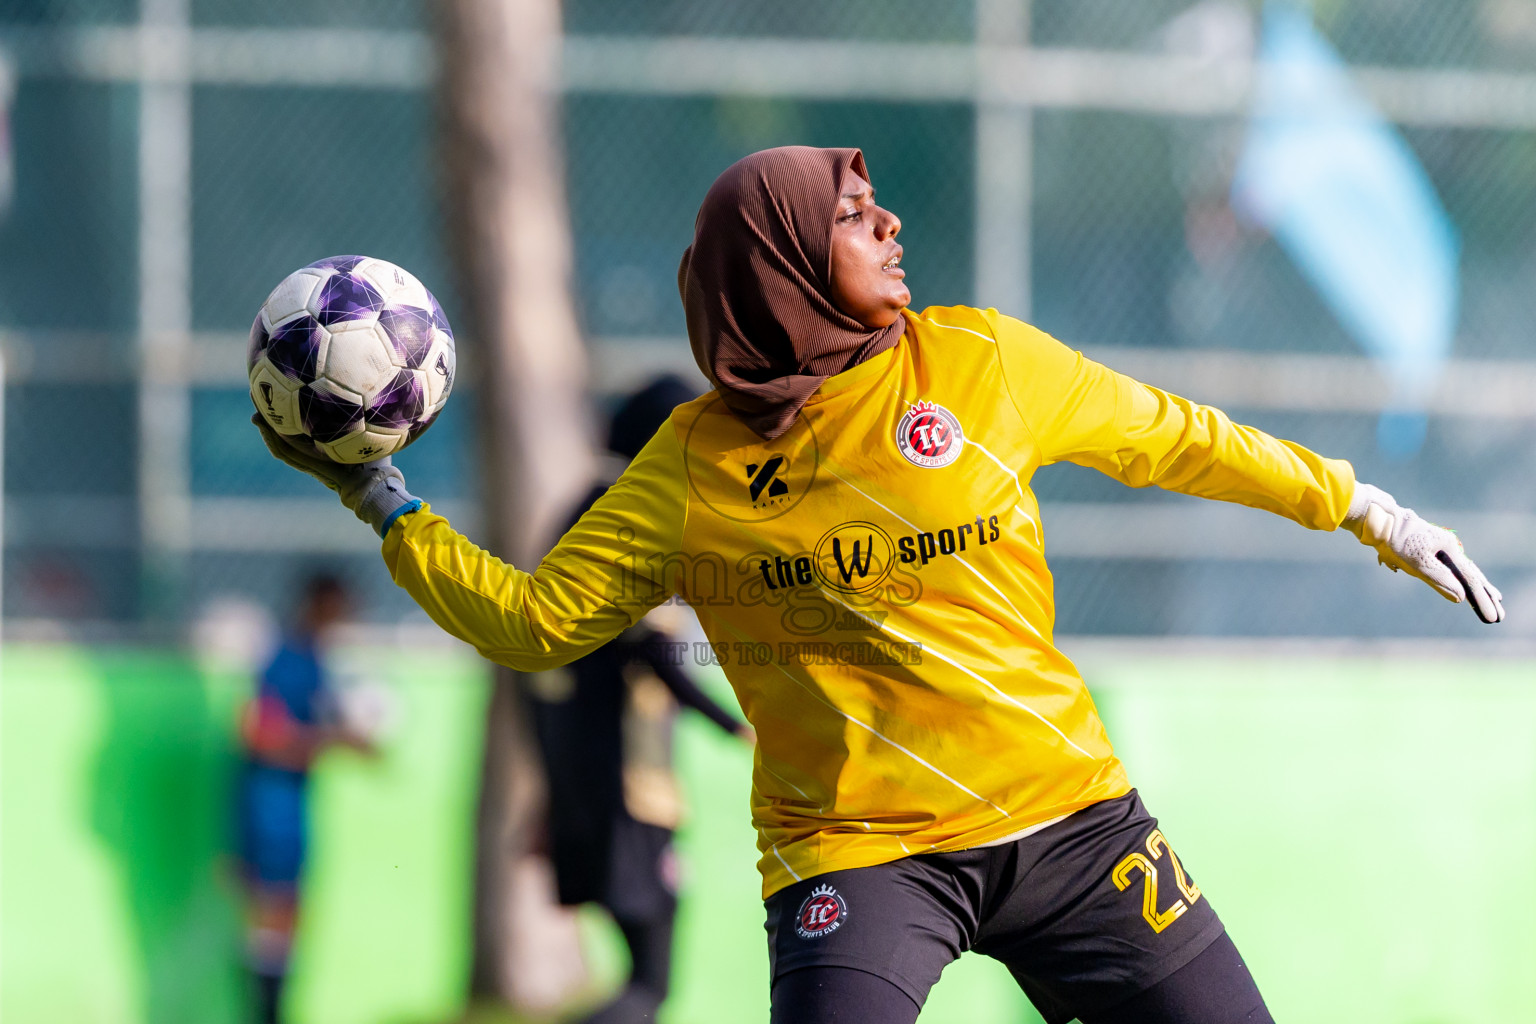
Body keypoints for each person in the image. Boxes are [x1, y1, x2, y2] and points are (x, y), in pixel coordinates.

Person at [255, 146, 1503, 1024]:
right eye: (856, 215)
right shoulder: (689, 464)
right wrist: (384, 504)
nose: (892, 224)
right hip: (857, 858)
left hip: (1075, 823)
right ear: (781, 261)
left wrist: (1364, 508)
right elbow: (534, 623)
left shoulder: (980, 362)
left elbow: (1180, 437)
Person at [529, 376, 753, 1024]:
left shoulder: (581, 515)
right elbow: (651, 653)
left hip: (592, 785)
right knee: (650, 986)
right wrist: (741, 727)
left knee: (644, 980)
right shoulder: (628, 514)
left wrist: (552, 788)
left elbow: (544, 673)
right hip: (628, 789)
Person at [234, 573, 375, 1024]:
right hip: (269, 805)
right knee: (273, 913)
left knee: (287, 915)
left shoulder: (315, 658)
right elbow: (257, 732)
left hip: (291, 803)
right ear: (318, 604)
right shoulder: (285, 658)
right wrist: (334, 739)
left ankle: (275, 1009)